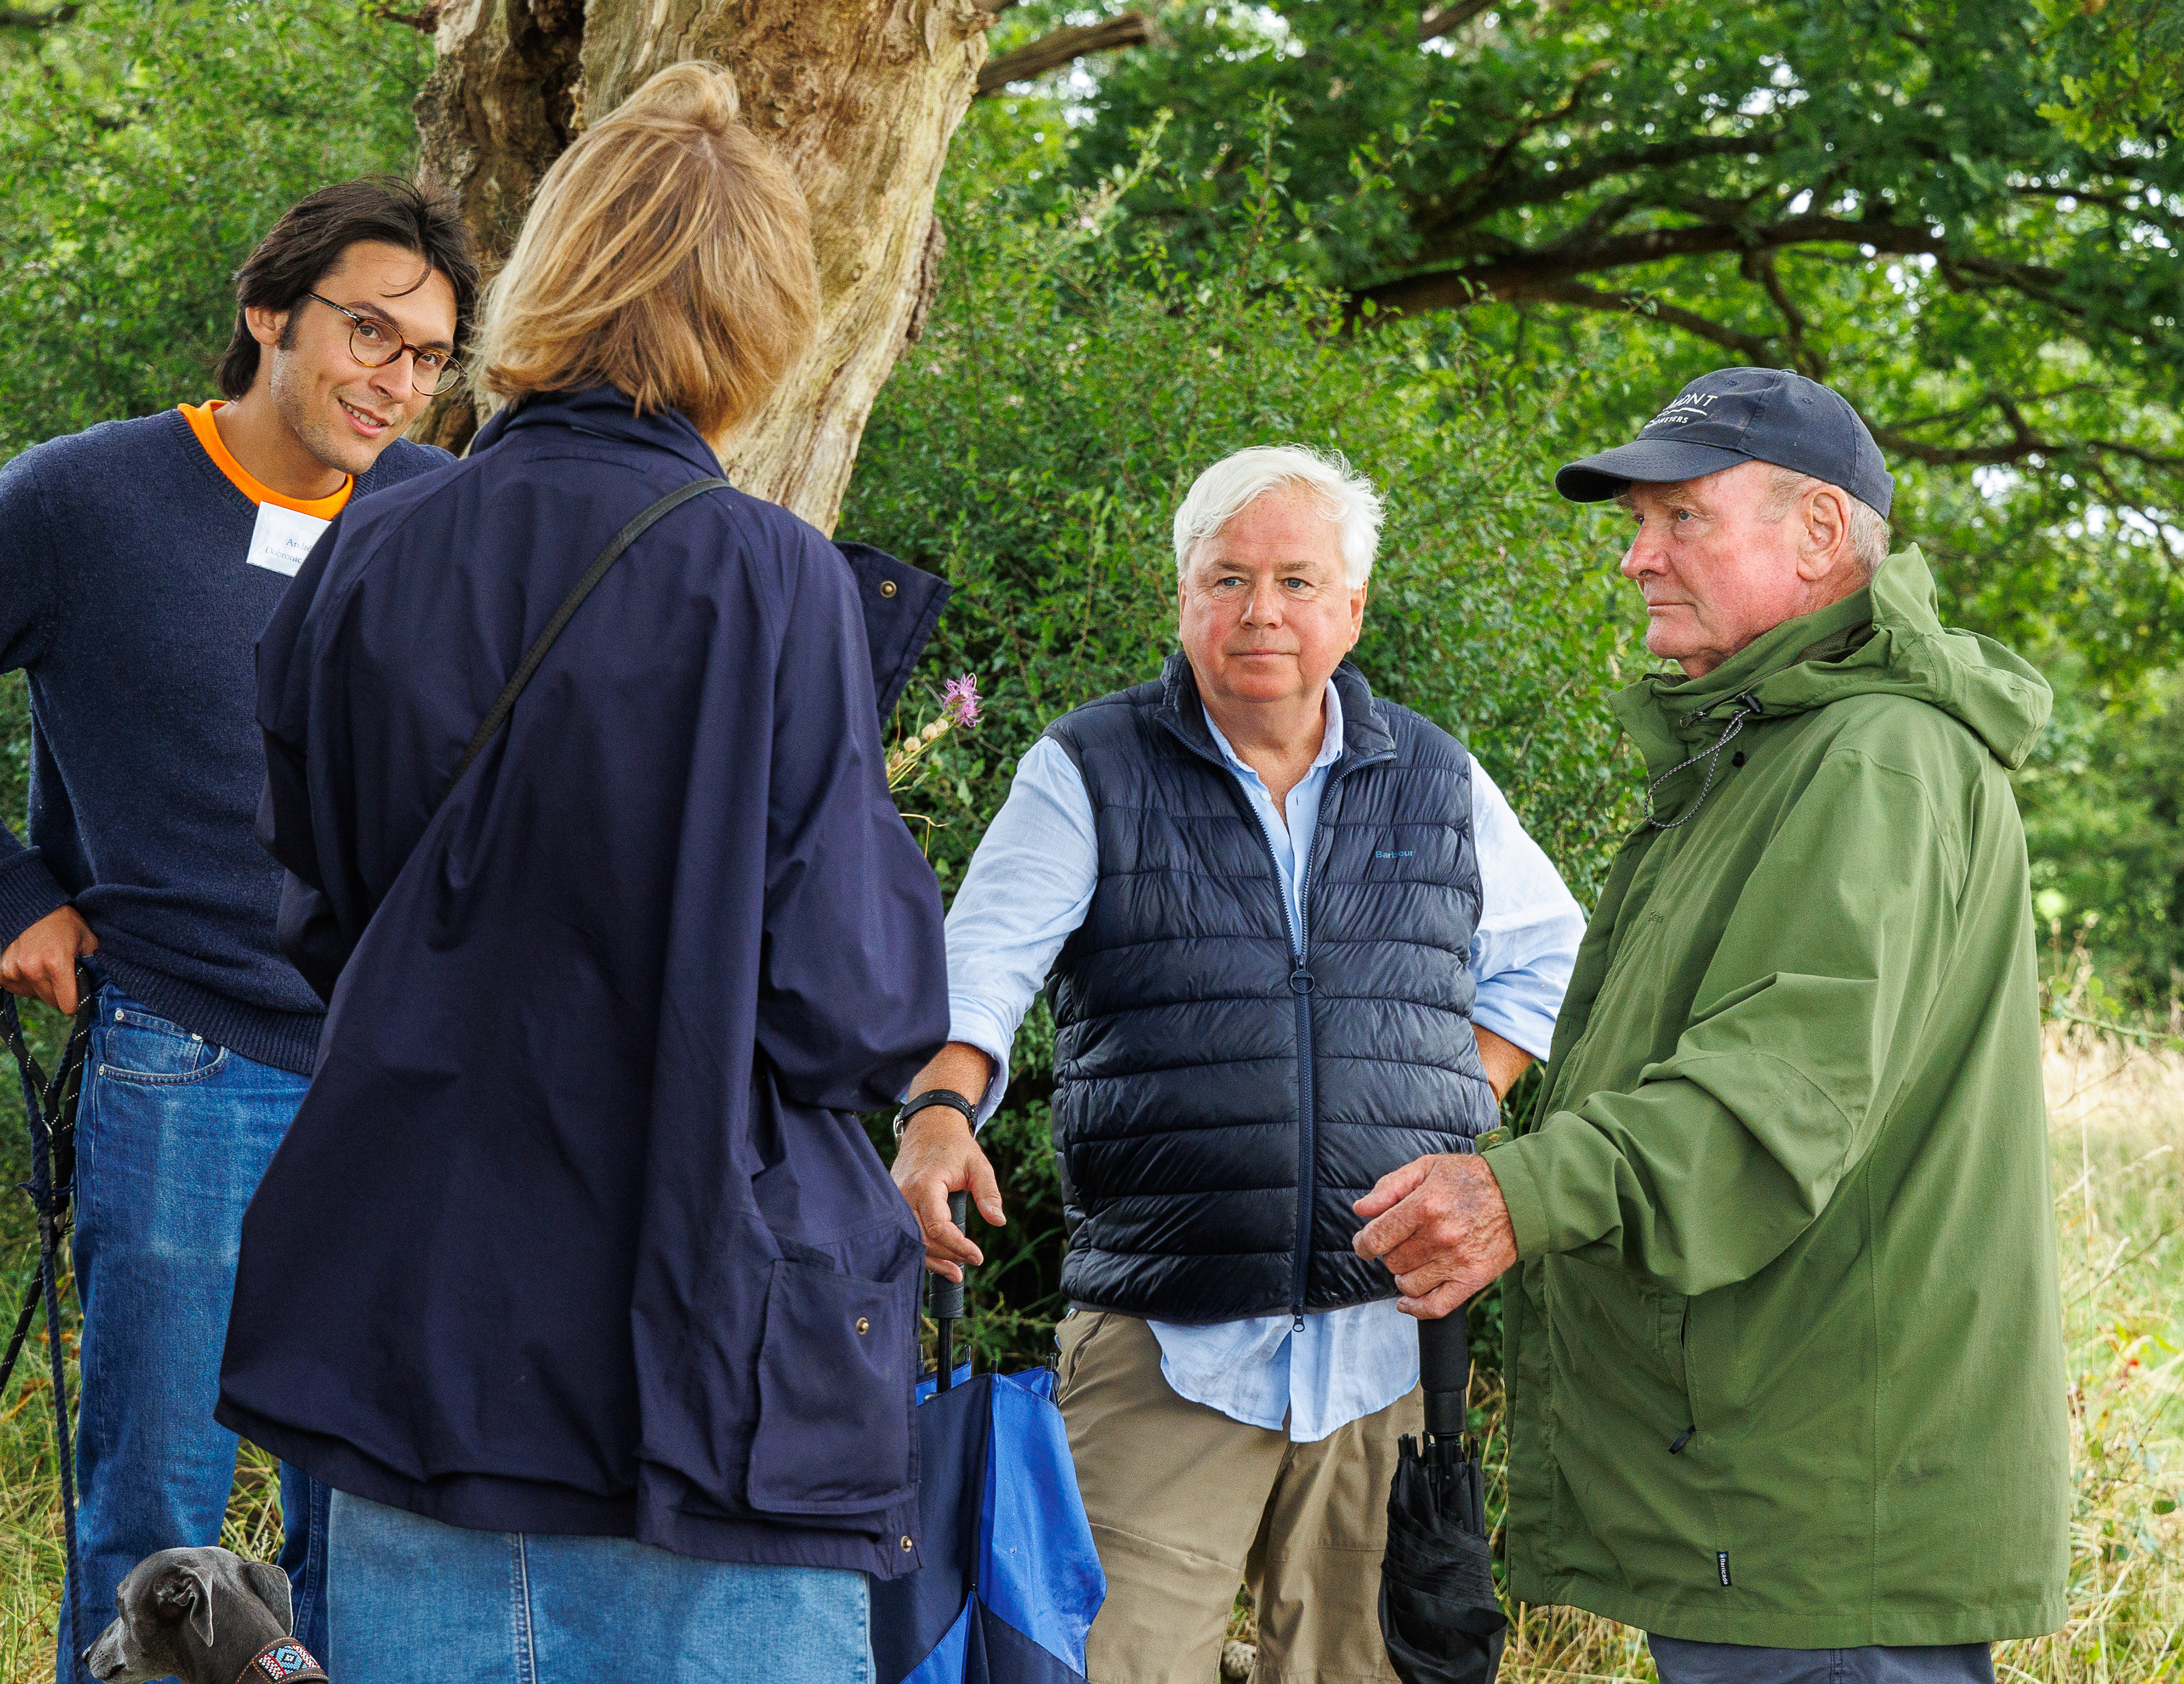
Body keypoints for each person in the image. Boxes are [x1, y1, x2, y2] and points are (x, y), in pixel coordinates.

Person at [214, 62, 950, 1683]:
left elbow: (318, 913)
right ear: (762, 313)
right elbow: (848, 1005)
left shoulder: (377, 542)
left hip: (415, 1330)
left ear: (549, 278)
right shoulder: (770, 575)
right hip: (685, 1367)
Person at [1354, 368, 2070, 1682]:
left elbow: (1771, 1096)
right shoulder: (1765, 754)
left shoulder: (1871, 763)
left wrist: (1520, 1194)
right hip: (1785, 1493)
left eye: (1682, 517)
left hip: (1824, 1516)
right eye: (1638, 523)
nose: (1637, 558)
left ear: (1816, 533)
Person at [892, 445, 1586, 1684]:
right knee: (1105, 1668)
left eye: (1296, 580)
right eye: (1227, 578)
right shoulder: (1088, 768)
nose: (1262, 610)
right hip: (1167, 1335)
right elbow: (981, 962)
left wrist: (1439, 1106)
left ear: (1352, 608)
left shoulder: (1434, 776)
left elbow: (1553, 958)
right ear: (1183, 598)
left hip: (1385, 1351)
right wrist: (942, 1109)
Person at [0, 176, 476, 1670]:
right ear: (267, 315)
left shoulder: (441, 513)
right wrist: (20, 895)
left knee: (381, 1520)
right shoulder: (83, 500)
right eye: (367, 333)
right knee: (161, 1514)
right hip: (179, 1061)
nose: (396, 380)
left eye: (426, 356)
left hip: (399, 1088)